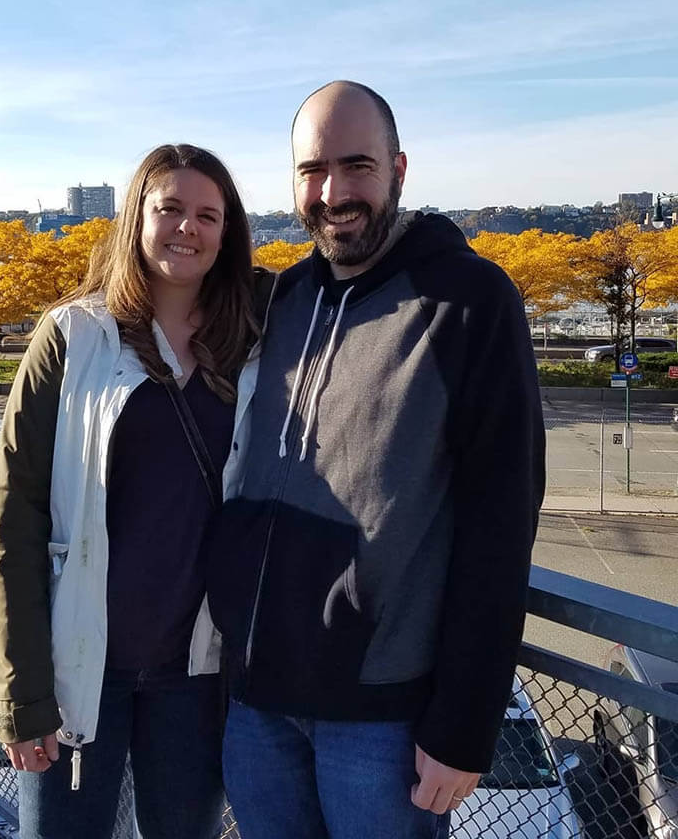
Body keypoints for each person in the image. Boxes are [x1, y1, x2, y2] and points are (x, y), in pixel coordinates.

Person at [206, 81, 546, 839]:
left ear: (398, 168)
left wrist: (463, 723)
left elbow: (501, 522)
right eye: (312, 170)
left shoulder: (470, 300)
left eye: (356, 165)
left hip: (382, 716)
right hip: (257, 702)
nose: (333, 192)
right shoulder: (286, 298)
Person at [0, 144, 261, 839]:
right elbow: (13, 518)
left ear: (228, 232)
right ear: (136, 216)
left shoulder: (255, 338)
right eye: (169, 208)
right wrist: (22, 693)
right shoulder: (74, 336)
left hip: (198, 672)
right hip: (81, 667)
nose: (187, 229)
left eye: (208, 214)